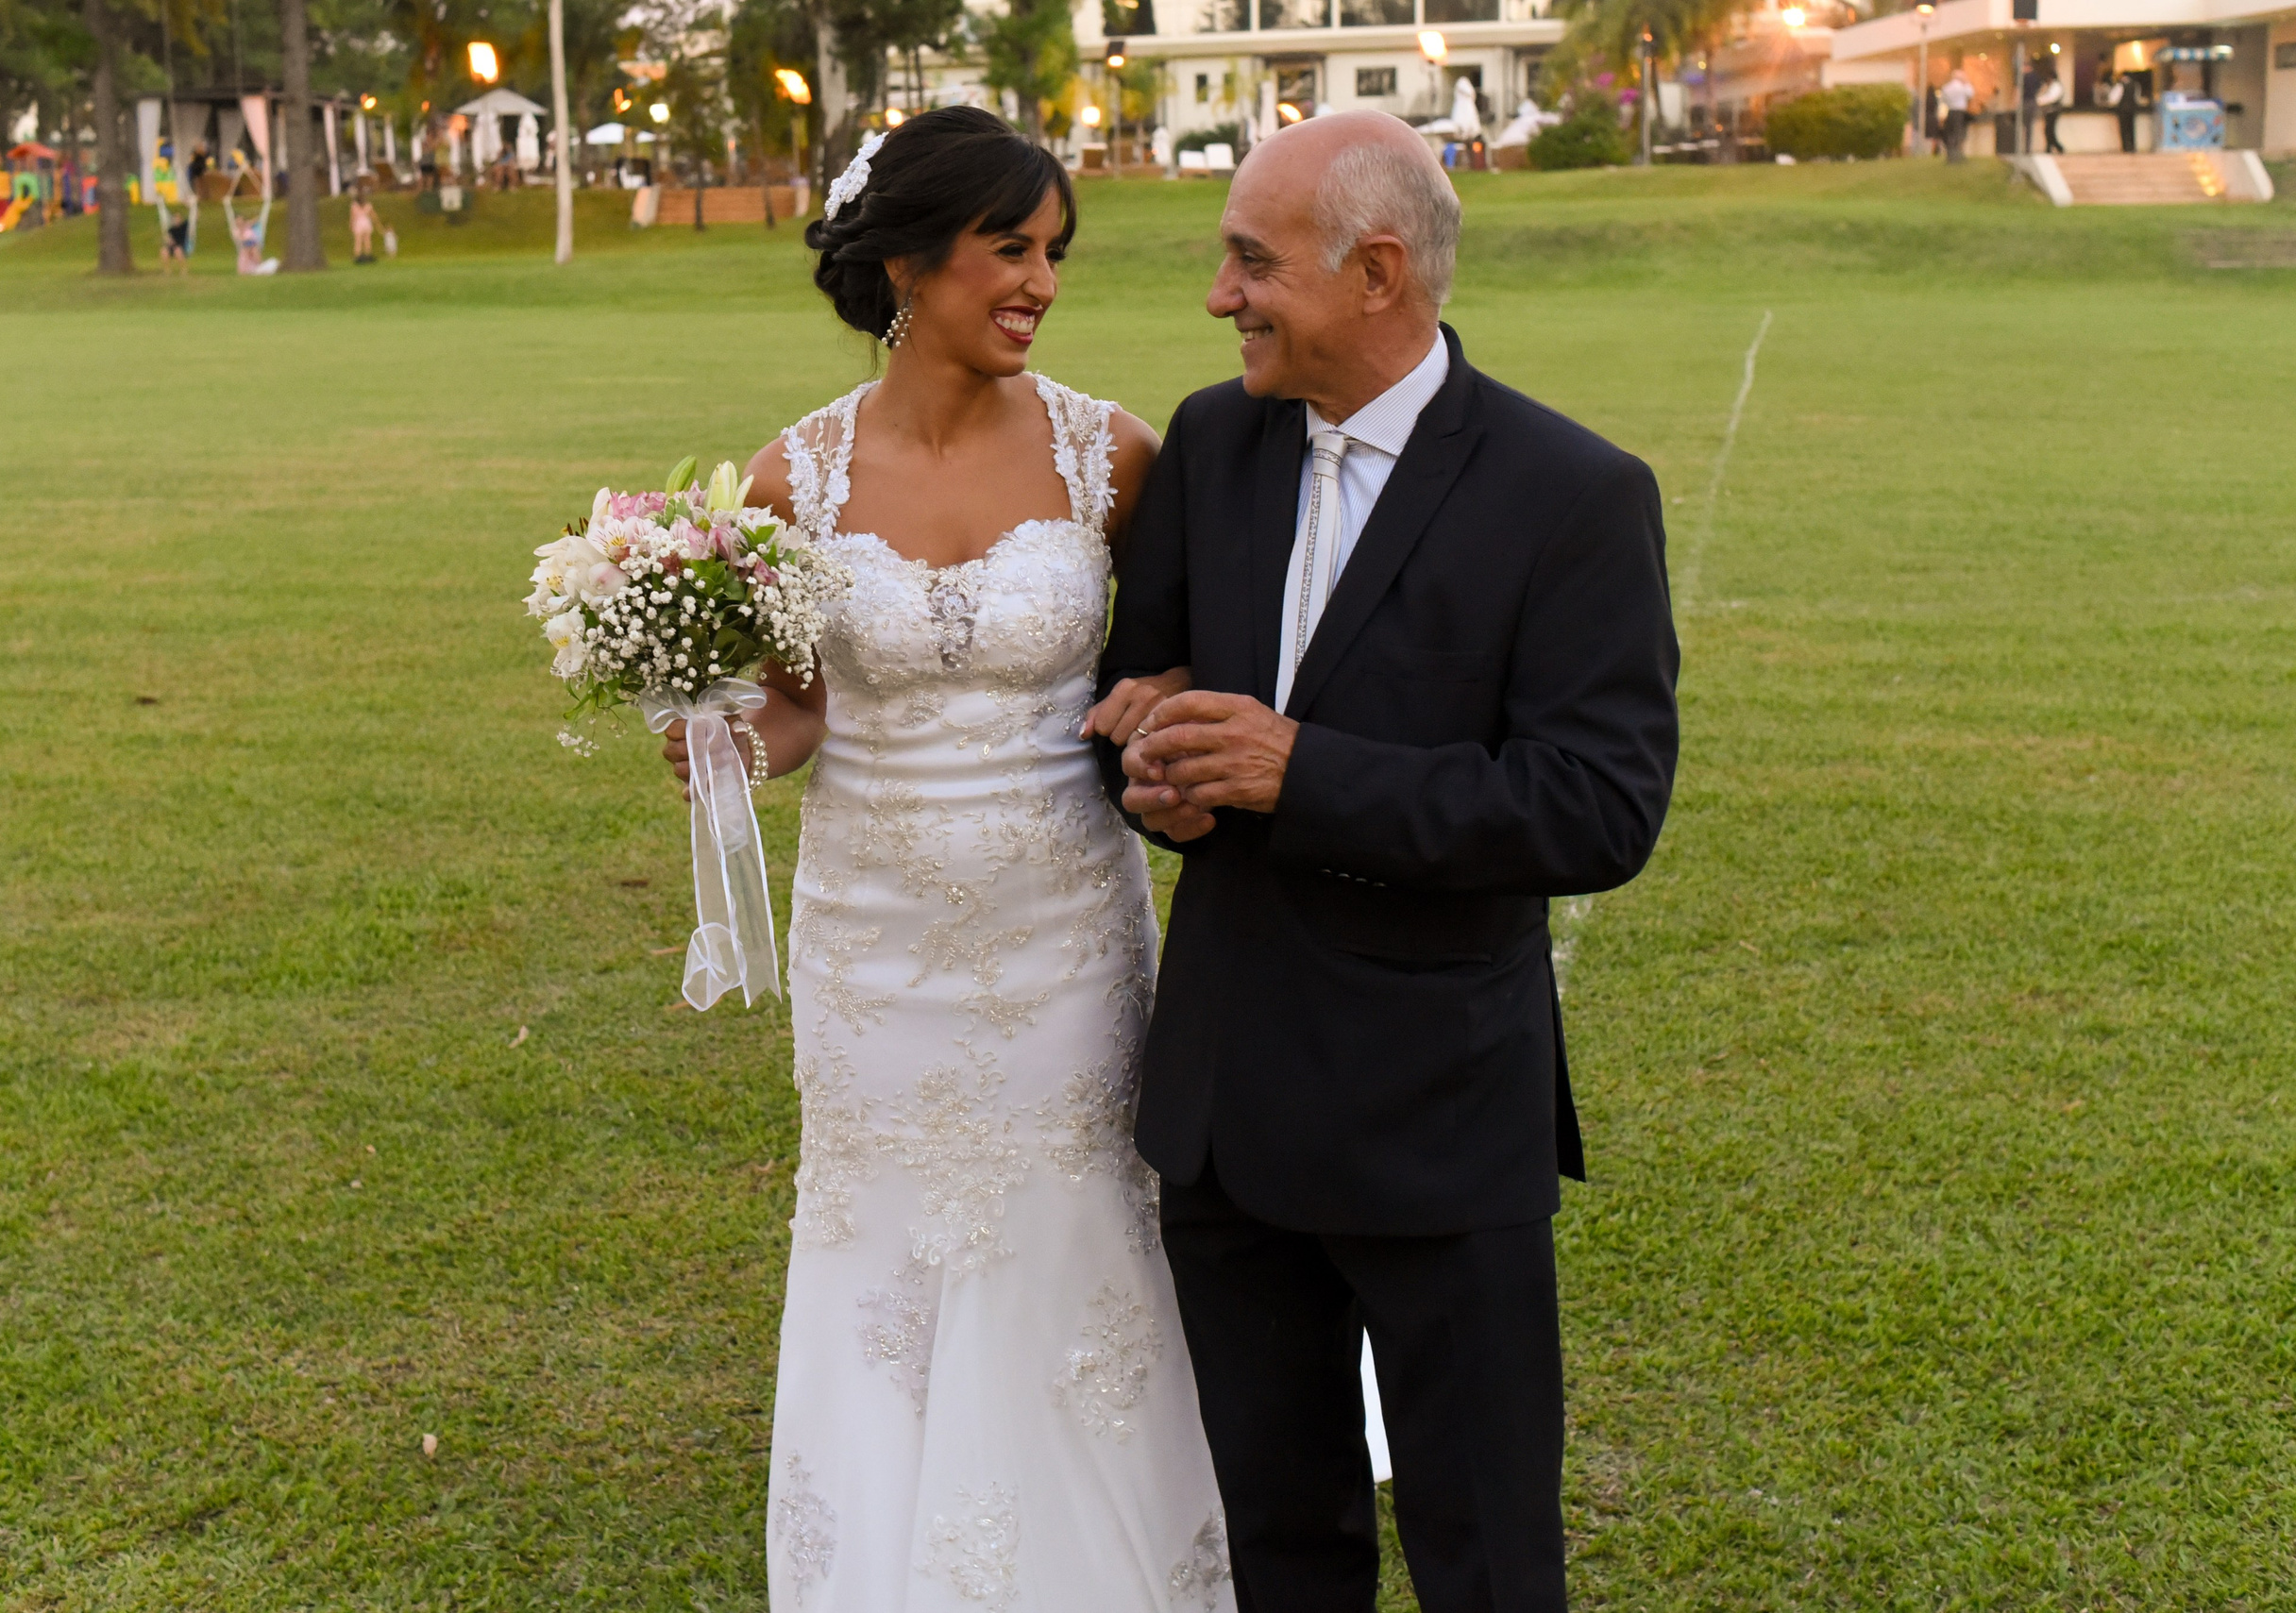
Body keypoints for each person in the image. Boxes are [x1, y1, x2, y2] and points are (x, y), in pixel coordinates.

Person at [1097, 109, 1680, 1610]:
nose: (1221, 297)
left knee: (1488, 1561)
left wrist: (1305, 774)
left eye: (1248, 261)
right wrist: (1147, 767)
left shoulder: (1575, 495)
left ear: (1376, 269)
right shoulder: (1215, 439)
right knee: (1281, 1553)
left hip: (1437, 1125)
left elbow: (1597, 809)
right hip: (1227, 1118)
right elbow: (1135, 692)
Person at [661, 105, 1233, 1611]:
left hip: (1064, 938)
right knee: (888, 1255)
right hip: (874, 947)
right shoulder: (790, 483)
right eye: (1009, 249)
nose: (1041, 281)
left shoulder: (1114, 455)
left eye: (1056, 253)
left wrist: (1162, 704)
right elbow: (795, 713)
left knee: (1076, 1227)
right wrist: (722, 743)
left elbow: (1180, 664)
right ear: (908, 261)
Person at [1940, 67, 1977, 163]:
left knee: (1950, 133)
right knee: (1959, 134)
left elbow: (1944, 100)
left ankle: (1950, 155)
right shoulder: (1963, 87)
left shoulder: (1946, 87)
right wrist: (1967, 82)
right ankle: (1958, 154)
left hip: (1951, 111)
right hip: (1960, 112)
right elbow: (1971, 94)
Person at [2036, 60, 2067, 154]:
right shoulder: (2049, 86)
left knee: (2050, 130)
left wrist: (2039, 101)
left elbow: (2051, 98)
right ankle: (2049, 147)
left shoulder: (2056, 86)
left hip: (2053, 111)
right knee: (2047, 130)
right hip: (2049, 111)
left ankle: (2058, 147)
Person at [349, 193, 378, 263]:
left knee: (358, 241)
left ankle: (357, 256)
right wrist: (376, 222)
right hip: (366, 222)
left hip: (358, 223)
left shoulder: (354, 206)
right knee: (367, 240)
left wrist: (351, 224)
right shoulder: (368, 205)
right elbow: (373, 215)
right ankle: (368, 255)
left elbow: (352, 217)